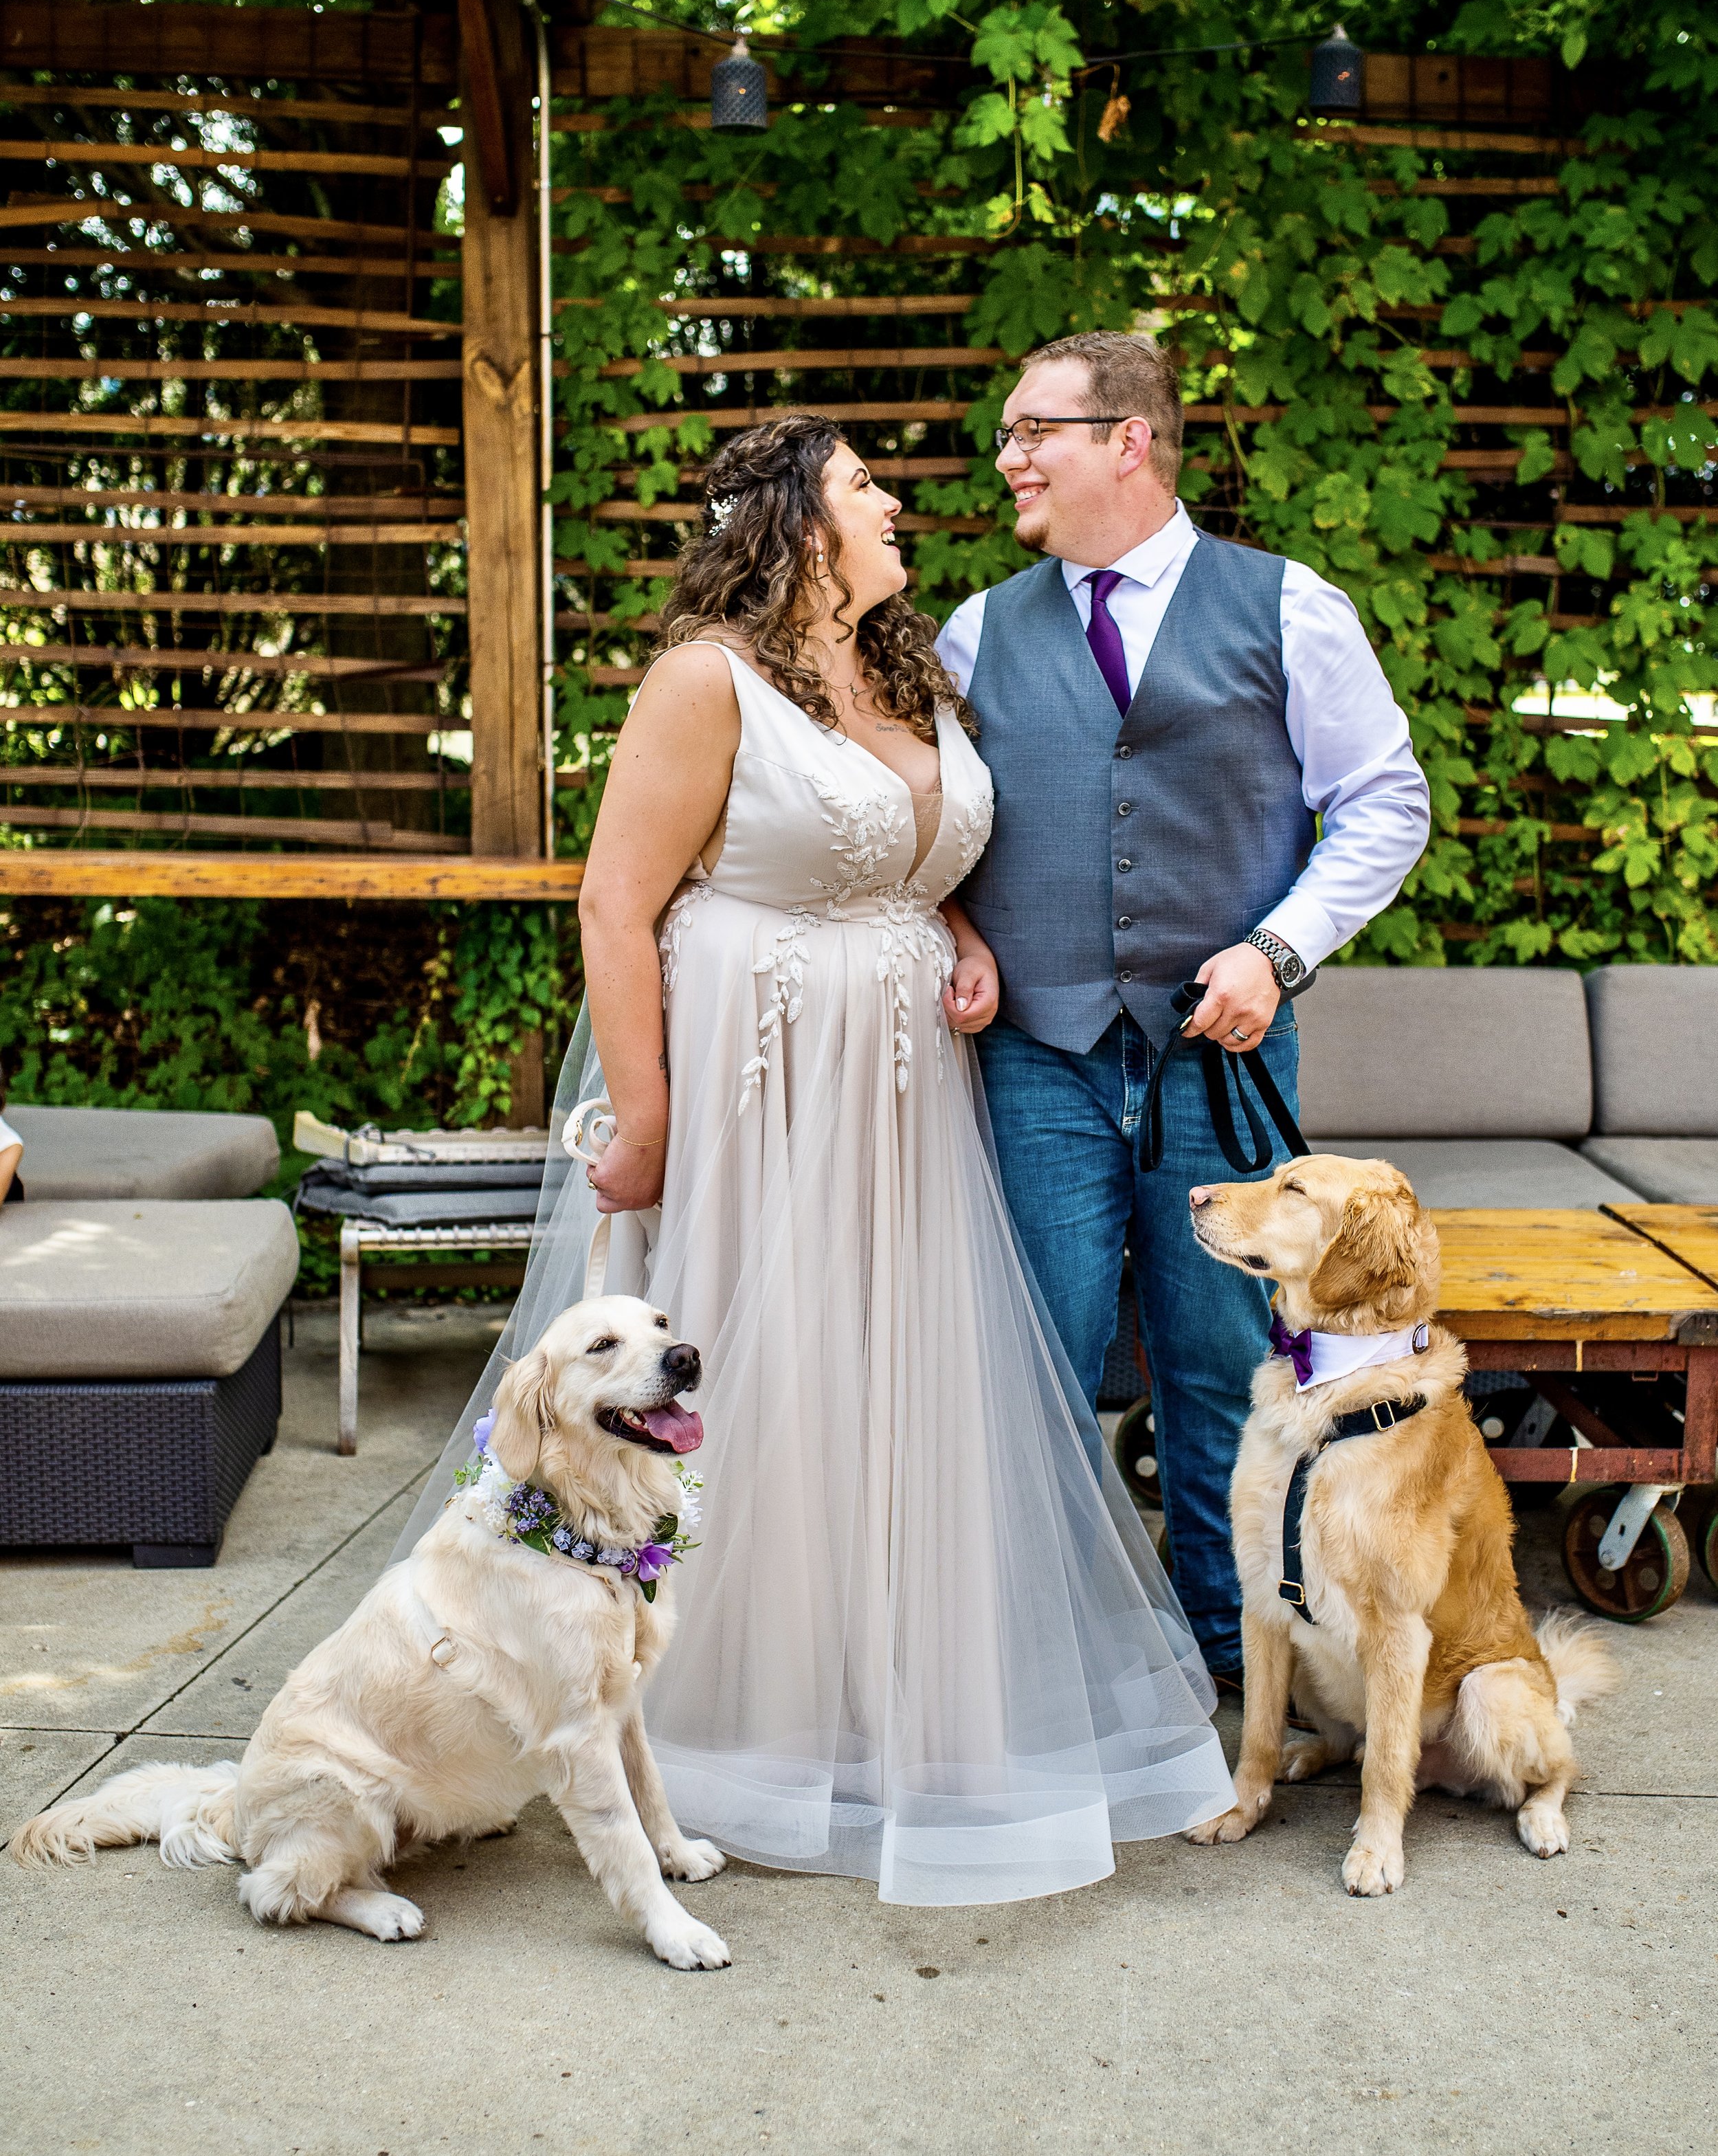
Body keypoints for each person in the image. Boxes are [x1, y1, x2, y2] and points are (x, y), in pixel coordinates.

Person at [403, 412, 1234, 1909]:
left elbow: (914, 851)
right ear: (795, 521)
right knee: (764, 1376)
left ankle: (883, 1697)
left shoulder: (905, 666)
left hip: (907, 1093)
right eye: (863, 485)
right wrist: (645, 1119)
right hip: (759, 1078)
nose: (896, 500)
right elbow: (615, 903)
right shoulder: (702, 680)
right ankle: (734, 1723)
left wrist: (963, 936)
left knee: (892, 1377)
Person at [935, 330, 1431, 1690]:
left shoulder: (1286, 606)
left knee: (1218, 1367)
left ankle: (1231, 1651)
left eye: (1033, 429)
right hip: (1038, 1055)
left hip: (1218, 1063)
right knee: (1037, 1353)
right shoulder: (976, 630)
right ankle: (1034, 1652)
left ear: (1127, 440)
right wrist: (960, 929)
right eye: (1006, 433)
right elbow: (924, 828)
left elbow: (1387, 802)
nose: (1008, 458)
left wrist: (1274, 947)